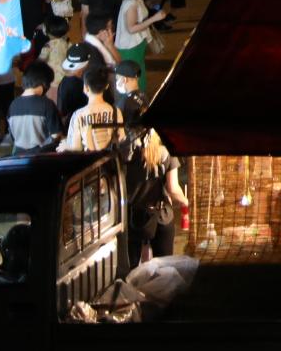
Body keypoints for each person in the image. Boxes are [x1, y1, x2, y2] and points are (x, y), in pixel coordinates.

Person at [128, 130, 188, 264]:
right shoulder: (166, 150)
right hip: (161, 215)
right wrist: (185, 201)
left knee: (133, 271)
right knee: (163, 268)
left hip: (133, 217)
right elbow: (173, 189)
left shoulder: (128, 152)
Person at [114, 0, 169, 88]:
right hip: (130, 48)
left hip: (136, 44)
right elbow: (131, 28)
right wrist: (154, 18)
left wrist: (149, 5)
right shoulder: (130, 2)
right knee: (133, 80)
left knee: (139, 75)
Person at [59, 64, 123, 152]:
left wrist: (65, 146)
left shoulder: (78, 115)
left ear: (85, 88)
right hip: (111, 163)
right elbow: (121, 139)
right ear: (107, 86)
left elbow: (76, 147)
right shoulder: (116, 112)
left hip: (90, 162)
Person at [5, 61, 60, 154]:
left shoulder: (13, 105)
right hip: (41, 158)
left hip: (18, 155)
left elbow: (12, 136)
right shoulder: (47, 104)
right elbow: (56, 135)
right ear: (44, 84)